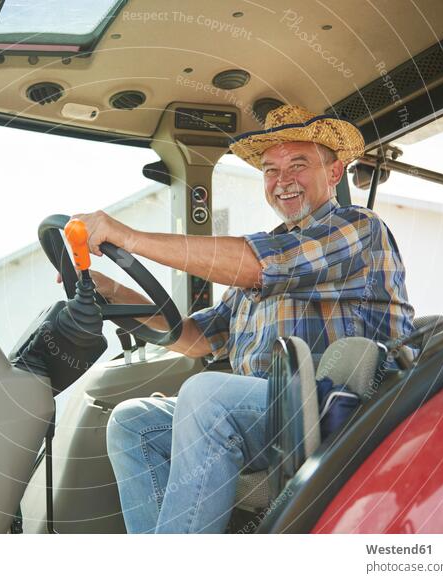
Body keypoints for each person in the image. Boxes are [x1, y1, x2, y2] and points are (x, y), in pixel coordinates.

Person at [66, 105, 415, 533]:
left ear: (335, 172)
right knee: (132, 421)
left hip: (342, 412)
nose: (283, 180)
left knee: (207, 395)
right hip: (269, 413)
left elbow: (257, 267)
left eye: (298, 165)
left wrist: (129, 237)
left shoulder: (357, 228)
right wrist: (114, 293)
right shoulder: (264, 252)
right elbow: (195, 338)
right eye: (271, 169)